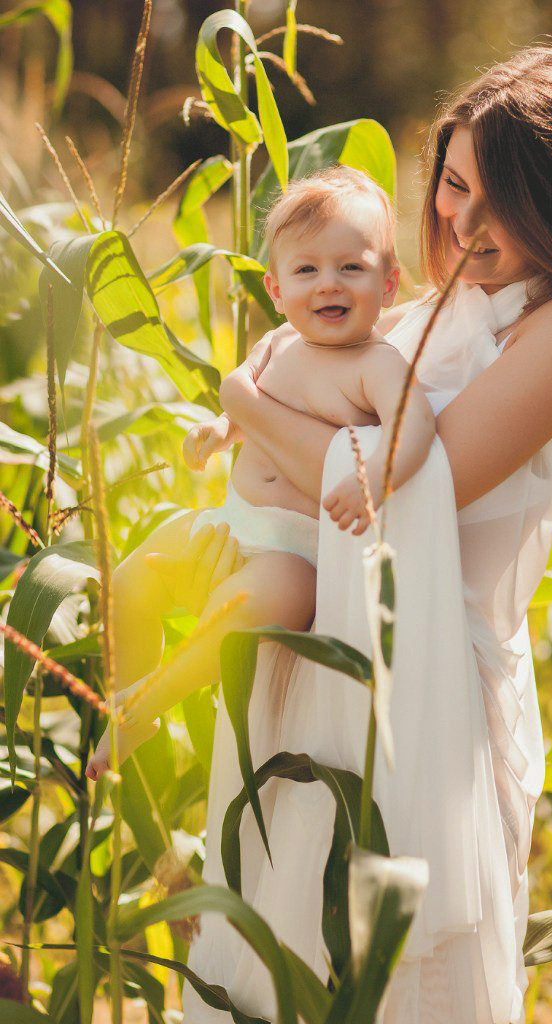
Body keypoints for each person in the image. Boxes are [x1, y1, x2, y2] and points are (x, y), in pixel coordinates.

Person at [180, 45, 552, 1024]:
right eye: (451, 185)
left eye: (502, 200)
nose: (462, 220)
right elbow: (340, 420)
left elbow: (415, 480)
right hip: (317, 660)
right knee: (277, 964)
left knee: (393, 973)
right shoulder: (434, 307)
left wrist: (241, 393)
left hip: (425, 698)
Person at [84, 167, 434, 781]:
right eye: (307, 270)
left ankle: (155, 694)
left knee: (265, 598)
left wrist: (374, 477)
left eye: (351, 267)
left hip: (296, 554)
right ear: (274, 288)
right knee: (132, 581)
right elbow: (245, 414)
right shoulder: (275, 345)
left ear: (389, 284)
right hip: (231, 521)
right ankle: (135, 700)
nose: (329, 284)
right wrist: (219, 433)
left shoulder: (375, 364)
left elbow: (416, 426)